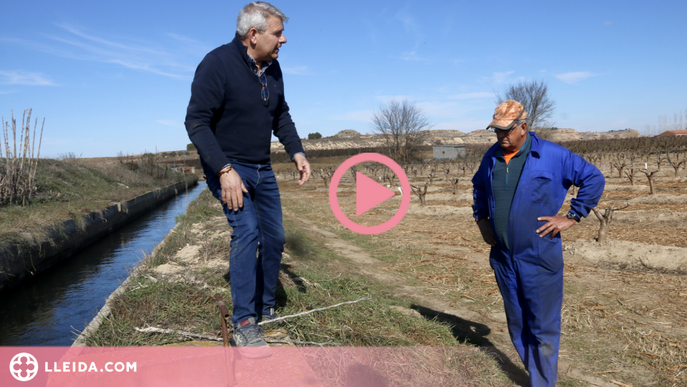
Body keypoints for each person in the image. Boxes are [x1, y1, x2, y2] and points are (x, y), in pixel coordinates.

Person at [185, 1, 310, 358]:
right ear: (253, 35)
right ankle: (244, 322)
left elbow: (281, 114)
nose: (284, 40)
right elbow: (196, 122)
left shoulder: (272, 69)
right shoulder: (216, 64)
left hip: (262, 168)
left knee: (275, 237)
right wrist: (224, 170)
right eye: (278, 32)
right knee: (248, 231)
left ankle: (264, 305)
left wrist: (297, 152)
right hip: (229, 168)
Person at [472, 100, 604, 386]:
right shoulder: (491, 157)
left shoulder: (552, 155)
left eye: (507, 130)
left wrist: (572, 215)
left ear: (523, 126)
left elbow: (593, 178)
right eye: (496, 130)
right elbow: (479, 187)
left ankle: (542, 382)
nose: (501, 136)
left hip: (539, 255)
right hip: (504, 257)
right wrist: (482, 218)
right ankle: (538, 376)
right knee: (517, 322)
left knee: (543, 326)